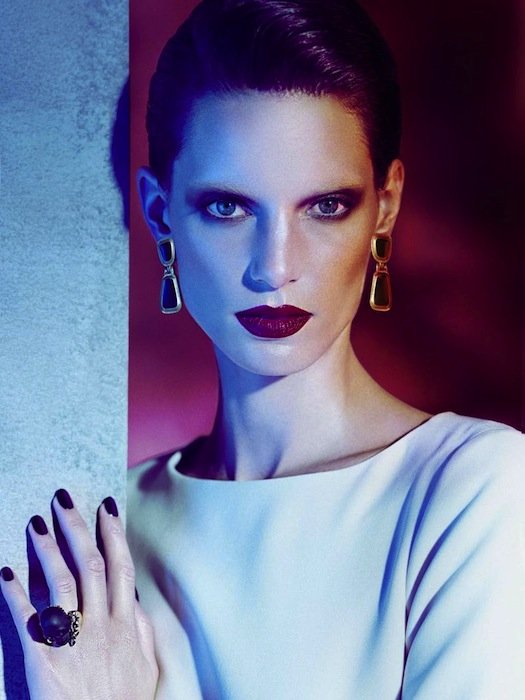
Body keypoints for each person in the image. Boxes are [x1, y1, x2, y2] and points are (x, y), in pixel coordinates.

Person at [1, 0, 524, 698]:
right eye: (228, 207)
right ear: (160, 213)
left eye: (325, 206)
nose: (273, 267)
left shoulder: (472, 489)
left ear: (385, 206)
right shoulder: (107, 530)